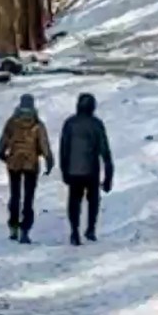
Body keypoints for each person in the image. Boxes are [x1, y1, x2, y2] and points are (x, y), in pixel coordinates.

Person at [0, 92, 53, 244]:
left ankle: (13, 227)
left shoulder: (12, 123)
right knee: (28, 198)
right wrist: (49, 160)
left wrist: (3, 156)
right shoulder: (37, 125)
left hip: (13, 163)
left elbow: (2, 144)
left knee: (15, 195)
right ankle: (25, 230)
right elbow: (44, 145)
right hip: (31, 164)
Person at [59, 91, 114, 246]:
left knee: (74, 201)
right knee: (93, 200)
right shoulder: (96, 124)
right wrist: (108, 176)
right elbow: (105, 151)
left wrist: (64, 169)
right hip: (91, 169)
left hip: (73, 169)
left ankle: (74, 231)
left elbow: (64, 148)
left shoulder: (69, 123)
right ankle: (90, 228)